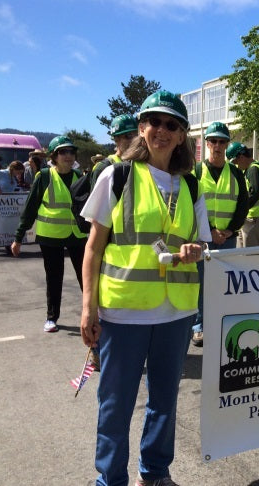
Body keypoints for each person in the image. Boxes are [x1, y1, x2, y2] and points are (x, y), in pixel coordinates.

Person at [80, 90, 211, 486]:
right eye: (154, 122)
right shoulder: (116, 175)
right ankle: (111, 479)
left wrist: (196, 250)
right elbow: (93, 247)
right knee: (116, 405)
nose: (162, 130)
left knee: (164, 402)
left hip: (176, 313)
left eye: (172, 124)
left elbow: (204, 244)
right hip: (124, 311)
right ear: (142, 128)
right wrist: (88, 306)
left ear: (183, 134)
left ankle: (154, 472)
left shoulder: (190, 186)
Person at [11, 136, 87, 333]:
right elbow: (30, 209)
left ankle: (93, 314)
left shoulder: (80, 176)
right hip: (50, 236)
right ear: (54, 155)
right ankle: (51, 317)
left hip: (77, 235)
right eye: (63, 152)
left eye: (71, 152)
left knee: (86, 277)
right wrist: (18, 238)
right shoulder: (44, 176)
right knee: (54, 277)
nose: (68, 155)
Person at [191, 122, 248, 347]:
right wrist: (209, 232)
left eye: (222, 141)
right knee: (201, 284)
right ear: (207, 143)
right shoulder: (195, 172)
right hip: (203, 239)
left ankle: (220, 323)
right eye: (213, 141)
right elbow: (190, 206)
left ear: (227, 144)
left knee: (223, 284)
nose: (217, 145)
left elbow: (242, 205)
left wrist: (230, 230)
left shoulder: (235, 173)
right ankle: (199, 326)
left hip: (227, 239)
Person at [227, 142, 259, 247]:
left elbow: (254, 193)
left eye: (235, 162)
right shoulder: (251, 168)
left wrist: (241, 209)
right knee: (245, 250)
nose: (236, 166)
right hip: (252, 216)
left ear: (241, 157)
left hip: (255, 217)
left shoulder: (253, 169)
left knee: (252, 253)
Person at [90, 114, 138, 188]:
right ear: (116, 139)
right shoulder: (103, 168)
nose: (134, 140)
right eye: (129, 136)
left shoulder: (139, 164)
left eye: (137, 135)